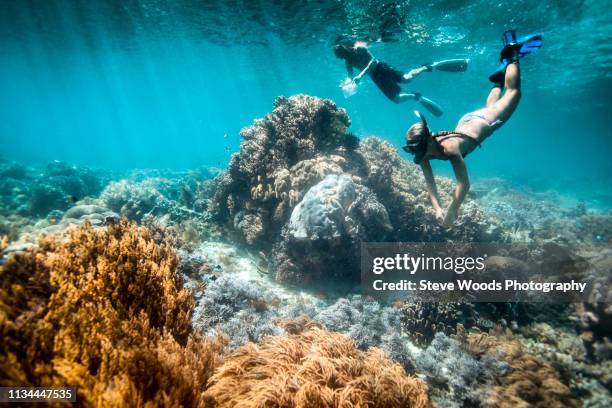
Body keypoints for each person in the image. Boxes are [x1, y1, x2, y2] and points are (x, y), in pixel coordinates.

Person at [403, 30, 541, 226]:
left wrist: (452, 210)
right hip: (469, 121)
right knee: (493, 105)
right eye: (412, 149)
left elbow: (464, 184)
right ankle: (497, 82)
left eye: (416, 148)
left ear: (427, 140)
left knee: (514, 93)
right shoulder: (424, 151)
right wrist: (437, 208)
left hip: (484, 122)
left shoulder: (450, 148)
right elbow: (430, 183)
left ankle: (511, 56)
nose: (416, 154)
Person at [334, 38, 444, 116]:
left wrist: (361, 75)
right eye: (342, 57)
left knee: (406, 79)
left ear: (345, 49)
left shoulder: (360, 48)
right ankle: (414, 96)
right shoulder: (347, 62)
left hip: (381, 67)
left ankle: (426, 67)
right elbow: (350, 76)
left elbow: (372, 60)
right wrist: (346, 83)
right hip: (375, 77)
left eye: (344, 54)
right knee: (396, 99)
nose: (345, 57)